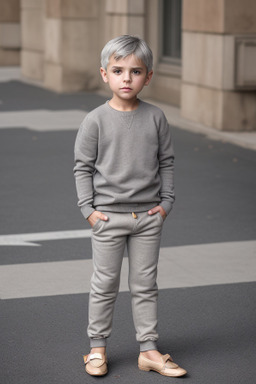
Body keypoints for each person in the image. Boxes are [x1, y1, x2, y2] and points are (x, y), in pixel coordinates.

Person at [74, 35, 187, 378]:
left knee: (145, 285)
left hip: (149, 218)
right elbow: (83, 166)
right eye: (118, 70)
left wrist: (166, 203)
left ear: (148, 76)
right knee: (104, 283)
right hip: (108, 218)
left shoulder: (156, 117)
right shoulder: (95, 120)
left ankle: (148, 350)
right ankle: (96, 348)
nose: (127, 78)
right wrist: (89, 211)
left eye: (135, 71)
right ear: (104, 74)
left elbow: (166, 162)